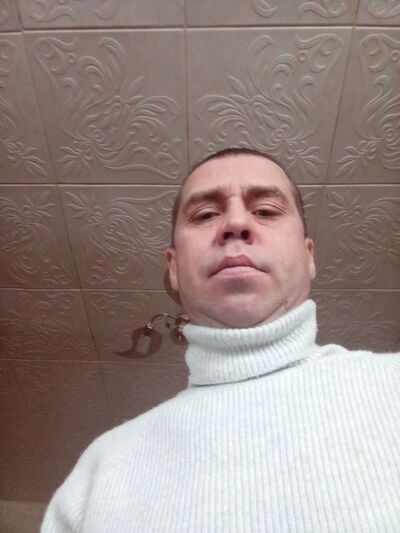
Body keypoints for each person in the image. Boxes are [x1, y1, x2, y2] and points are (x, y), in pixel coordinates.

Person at [41, 148, 400, 532]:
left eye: (266, 211)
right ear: (174, 268)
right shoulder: (99, 471)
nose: (236, 223)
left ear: (308, 254)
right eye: (205, 215)